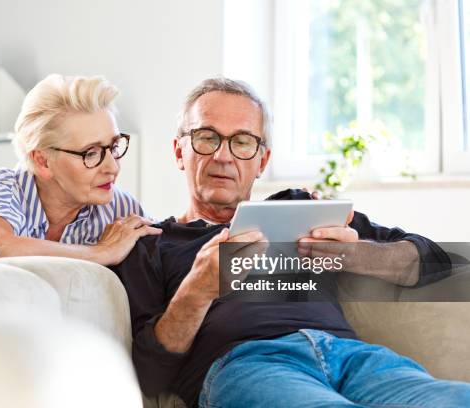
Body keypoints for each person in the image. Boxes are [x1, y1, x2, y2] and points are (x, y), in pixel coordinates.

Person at [112, 77, 470, 407]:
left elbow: (439, 260)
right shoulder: (151, 244)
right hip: (249, 366)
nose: (223, 156)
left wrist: (355, 254)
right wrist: (198, 290)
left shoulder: (302, 207)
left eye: (242, 142)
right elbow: (150, 373)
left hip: (353, 359)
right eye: (206, 137)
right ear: (179, 151)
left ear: (262, 160)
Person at [0, 74, 161, 263]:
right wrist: (102, 253)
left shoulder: (120, 208)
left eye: (114, 146)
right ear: (42, 161)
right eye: (91, 153)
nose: (112, 167)